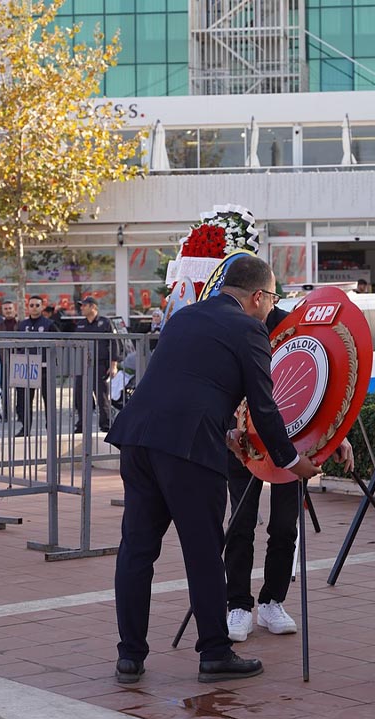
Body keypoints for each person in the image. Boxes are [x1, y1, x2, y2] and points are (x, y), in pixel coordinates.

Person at [106, 256, 322, 685]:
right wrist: (292, 461)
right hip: (187, 449)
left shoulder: (185, 317)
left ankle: (129, 657)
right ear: (258, 296)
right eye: (273, 297)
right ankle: (214, 654)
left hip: (138, 438)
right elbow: (264, 405)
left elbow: (189, 379)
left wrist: (225, 427)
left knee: (136, 551)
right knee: (204, 552)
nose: (270, 307)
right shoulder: (250, 329)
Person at [224, 305, 356, 643]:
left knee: (284, 526)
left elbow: (322, 384)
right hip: (244, 443)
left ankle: (272, 601)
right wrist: (228, 430)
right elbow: (218, 386)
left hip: (292, 441)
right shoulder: (229, 326)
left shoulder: (292, 325)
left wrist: (335, 437)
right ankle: (237, 605)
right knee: (241, 523)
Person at [72, 296, 119, 434]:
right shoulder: (81, 324)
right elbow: (75, 345)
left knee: (101, 396)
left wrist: (113, 365)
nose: (81, 308)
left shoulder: (105, 323)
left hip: (100, 365)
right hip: (83, 365)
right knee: (80, 396)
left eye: (84, 305)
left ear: (93, 306)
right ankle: (82, 424)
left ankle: (106, 424)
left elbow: (114, 344)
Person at [15, 295, 54, 436]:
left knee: (48, 400)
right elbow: (17, 344)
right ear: (28, 307)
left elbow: (58, 342)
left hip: (44, 367)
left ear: (42, 307)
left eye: (37, 305)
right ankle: (25, 428)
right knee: (25, 401)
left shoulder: (49, 324)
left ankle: (51, 428)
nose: (34, 308)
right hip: (27, 368)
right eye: (31, 305)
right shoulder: (22, 324)